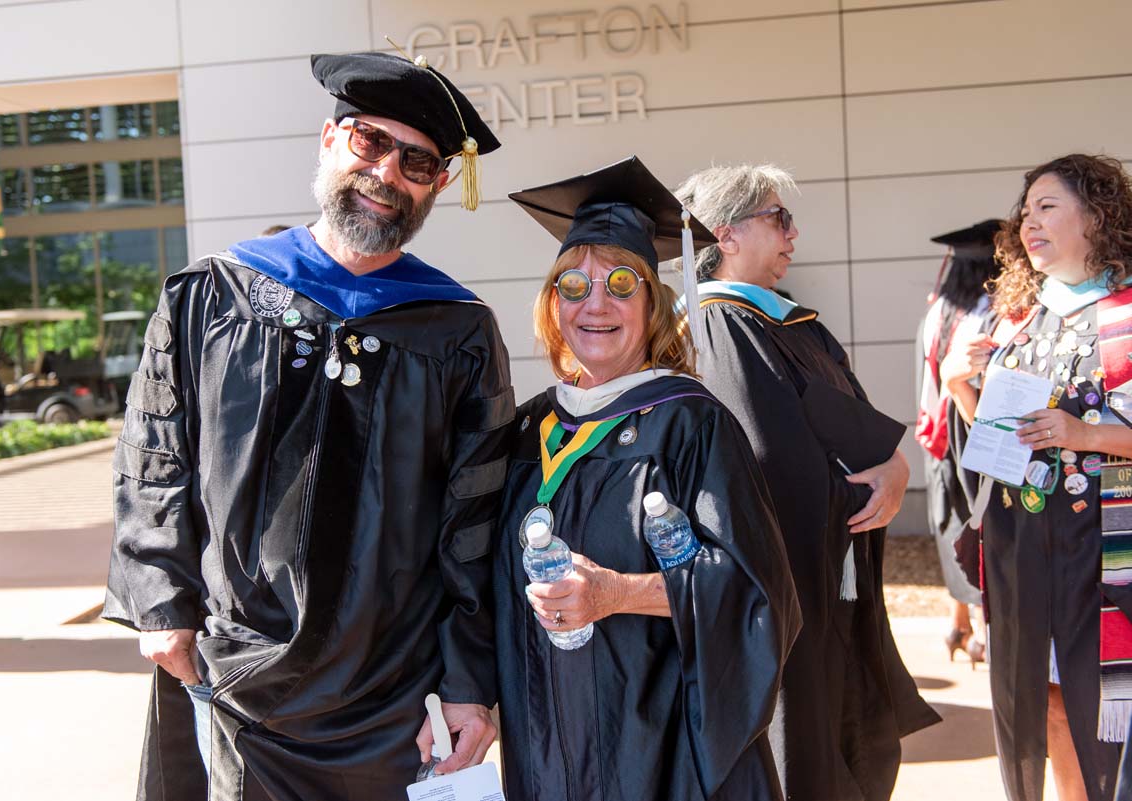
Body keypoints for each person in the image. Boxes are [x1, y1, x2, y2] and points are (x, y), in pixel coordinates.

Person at [102, 51, 512, 801]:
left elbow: (475, 523)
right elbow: (155, 450)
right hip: (230, 675)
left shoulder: (457, 331)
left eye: (417, 161)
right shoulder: (214, 294)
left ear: (440, 183)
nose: (387, 173)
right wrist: (160, 598)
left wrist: (468, 681)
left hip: (392, 696)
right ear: (329, 140)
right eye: (370, 141)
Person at [495, 156, 802, 801]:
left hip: (664, 748)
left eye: (621, 284)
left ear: (653, 303)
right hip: (546, 743)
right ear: (552, 304)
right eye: (573, 285)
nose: (595, 304)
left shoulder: (690, 423)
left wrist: (616, 593)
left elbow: (755, 588)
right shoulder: (528, 429)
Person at [675, 163, 940, 801]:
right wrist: (861, 487)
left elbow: (849, 418)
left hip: (830, 569)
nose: (793, 233)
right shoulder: (720, 324)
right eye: (779, 218)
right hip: (792, 577)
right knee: (804, 735)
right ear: (725, 234)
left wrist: (894, 467)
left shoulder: (784, 321)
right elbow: (769, 460)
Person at [941, 154, 1132, 801]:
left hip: (1103, 555)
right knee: (1046, 701)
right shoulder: (1017, 320)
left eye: (1047, 207)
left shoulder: (1124, 312)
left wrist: (1085, 435)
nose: (1029, 223)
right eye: (1025, 212)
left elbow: (1081, 434)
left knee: (1108, 706)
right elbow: (1002, 447)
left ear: (1097, 216)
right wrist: (961, 387)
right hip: (1025, 552)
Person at [916, 220, 1003, 665]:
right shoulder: (992, 315)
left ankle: (958, 622)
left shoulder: (936, 312)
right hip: (973, 433)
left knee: (952, 524)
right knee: (981, 526)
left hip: (938, 439)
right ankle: (984, 632)